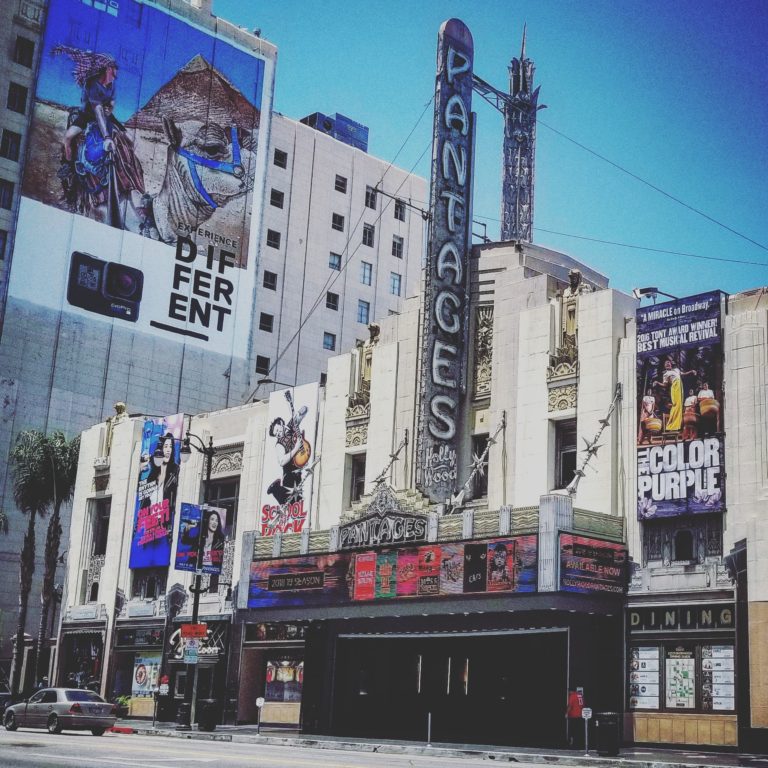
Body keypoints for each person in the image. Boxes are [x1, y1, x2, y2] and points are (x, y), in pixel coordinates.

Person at [52, 45, 145, 222]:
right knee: (68, 138)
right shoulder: (92, 84)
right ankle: (69, 166)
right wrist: (107, 137)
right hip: (87, 116)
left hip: (107, 116)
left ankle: (129, 173)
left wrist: (111, 108)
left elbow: (109, 105)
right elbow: (97, 110)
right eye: (114, 67)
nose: (117, 70)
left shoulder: (112, 86)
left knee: (129, 141)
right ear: (108, 68)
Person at [267, 407, 308, 505]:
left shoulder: (290, 427)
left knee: (297, 499)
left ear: (281, 423)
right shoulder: (279, 445)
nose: (278, 434)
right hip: (289, 473)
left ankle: (276, 488)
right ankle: (275, 488)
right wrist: (296, 448)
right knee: (290, 501)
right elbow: (282, 461)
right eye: (275, 434)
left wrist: (299, 412)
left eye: (277, 430)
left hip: (298, 468)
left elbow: (304, 411)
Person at [653, 358, 696, 432]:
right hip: (675, 387)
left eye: (668, 362)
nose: (667, 364)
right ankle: (670, 425)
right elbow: (665, 384)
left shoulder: (676, 370)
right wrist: (657, 382)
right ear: (664, 366)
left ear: (671, 364)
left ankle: (676, 426)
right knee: (675, 405)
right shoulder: (666, 374)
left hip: (680, 386)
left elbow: (683, 374)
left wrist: (691, 371)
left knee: (679, 406)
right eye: (666, 363)